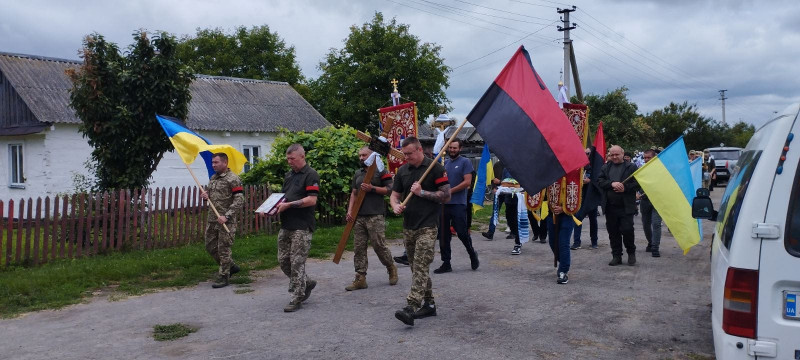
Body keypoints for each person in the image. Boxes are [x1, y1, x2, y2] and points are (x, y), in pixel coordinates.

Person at [390, 137, 450, 326]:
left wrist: (422, 193)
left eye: (409, 153)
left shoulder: (435, 168)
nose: (405, 157)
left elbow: (446, 196)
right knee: (416, 268)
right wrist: (395, 206)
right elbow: (394, 195)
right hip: (409, 226)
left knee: (422, 265)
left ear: (419, 150)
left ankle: (411, 306)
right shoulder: (403, 171)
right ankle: (430, 305)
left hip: (428, 226)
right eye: (404, 153)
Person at [344, 146, 399, 291]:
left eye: (364, 155)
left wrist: (372, 188)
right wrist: (350, 211)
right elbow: (354, 194)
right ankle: (360, 278)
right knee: (359, 247)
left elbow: (390, 190)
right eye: (360, 155)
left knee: (378, 245)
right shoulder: (358, 173)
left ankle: (391, 267)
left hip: (375, 214)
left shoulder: (381, 171)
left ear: (372, 156)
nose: (361, 158)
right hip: (359, 216)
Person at [276, 144, 320, 312]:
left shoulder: (311, 175)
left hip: (302, 226)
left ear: (302, 156)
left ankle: (297, 296)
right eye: (287, 159)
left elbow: (311, 200)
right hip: (286, 224)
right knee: (283, 261)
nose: (289, 162)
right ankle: (306, 283)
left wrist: (290, 205)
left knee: (297, 262)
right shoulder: (289, 175)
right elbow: (283, 198)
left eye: (292, 159)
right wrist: (273, 207)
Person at [434, 139, 479, 273]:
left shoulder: (465, 162)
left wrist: (449, 191)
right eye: (450, 148)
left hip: (458, 203)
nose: (452, 150)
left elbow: (467, 182)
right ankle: (446, 262)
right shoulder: (444, 163)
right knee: (443, 234)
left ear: (460, 148)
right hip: (443, 205)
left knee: (461, 232)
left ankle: (472, 254)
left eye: (455, 148)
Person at [201, 153, 244, 289]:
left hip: (226, 220)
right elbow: (213, 196)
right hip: (213, 219)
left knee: (223, 248)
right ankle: (231, 266)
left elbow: (239, 200)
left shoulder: (233, 179)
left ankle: (224, 276)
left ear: (225, 163)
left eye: (216, 162)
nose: (213, 165)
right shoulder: (213, 178)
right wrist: (205, 196)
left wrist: (227, 215)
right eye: (212, 162)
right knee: (210, 246)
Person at [597, 145, 640, 266]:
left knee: (627, 230)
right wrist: (612, 184)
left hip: (626, 206)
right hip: (610, 207)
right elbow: (600, 181)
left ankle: (631, 253)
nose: (614, 157)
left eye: (617, 154)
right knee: (613, 232)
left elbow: (638, 183)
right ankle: (616, 256)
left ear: (622, 154)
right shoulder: (606, 167)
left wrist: (625, 188)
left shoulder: (631, 167)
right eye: (612, 155)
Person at [572, 147, 599, 250]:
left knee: (593, 220)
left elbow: (599, 180)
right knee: (578, 218)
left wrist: (590, 181)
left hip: (591, 197)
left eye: (588, 153)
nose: (586, 155)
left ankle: (594, 241)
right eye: (584, 153)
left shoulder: (595, 167)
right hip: (580, 197)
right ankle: (576, 242)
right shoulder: (578, 165)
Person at [638, 149, 663, 258]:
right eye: (645, 157)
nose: (646, 159)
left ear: (654, 158)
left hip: (658, 200)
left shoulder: (661, 170)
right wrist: (637, 192)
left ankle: (655, 247)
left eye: (649, 157)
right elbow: (637, 184)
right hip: (645, 201)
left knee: (656, 223)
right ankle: (650, 242)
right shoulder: (641, 170)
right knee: (646, 224)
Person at [547, 202, 573, 284]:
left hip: (568, 216)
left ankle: (563, 271)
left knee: (563, 243)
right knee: (552, 242)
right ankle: (563, 262)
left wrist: (564, 208)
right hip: (551, 215)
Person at [481, 159, 507, 240]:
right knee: (495, 212)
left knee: (511, 213)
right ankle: (490, 232)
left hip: (510, 192)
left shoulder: (512, 165)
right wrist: (494, 188)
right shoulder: (497, 165)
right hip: (499, 192)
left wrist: (500, 181)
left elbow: (514, 180)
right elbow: (493, 178)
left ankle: (514, 231)